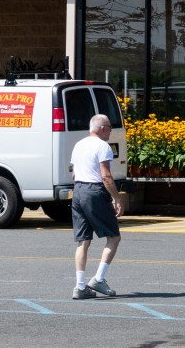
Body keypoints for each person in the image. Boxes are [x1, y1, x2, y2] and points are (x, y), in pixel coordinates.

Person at [71, 113, 123, 299]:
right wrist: (117, 198)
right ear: (102, 129)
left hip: (78, 191)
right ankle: (99, 279)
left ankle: (80, 286)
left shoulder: (79, 144)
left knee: (83, 241)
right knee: (114, 237)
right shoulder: (103, 146)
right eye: (109, 127)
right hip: (94, 191)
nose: (110, 131)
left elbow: (74, 174)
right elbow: (106, 176)